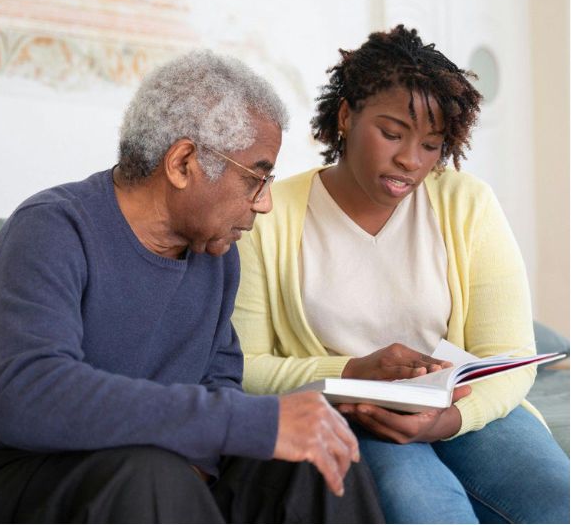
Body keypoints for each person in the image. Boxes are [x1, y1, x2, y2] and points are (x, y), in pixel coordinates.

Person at [0, 51, 385, 524]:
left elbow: (219, 382)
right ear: (183, 162)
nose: (266, 203)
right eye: (257, 177)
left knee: (318, 456)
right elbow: (32, 396)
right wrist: (243, 423)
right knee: (153, 475)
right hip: (15, 471)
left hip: (158, 474)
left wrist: (216, 450)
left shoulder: (217, 256)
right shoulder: (52, 230)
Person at [233, 26, 570, 524]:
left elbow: (512, 357)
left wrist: (450, 419)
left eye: (431, 145)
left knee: (556, 498)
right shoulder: (270, 214)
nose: (410, 161)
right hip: (357, 415)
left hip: (465, 406)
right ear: (346, 115)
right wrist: (349, 372)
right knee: (427, 511)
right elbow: (245, 366)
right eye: (391, 134)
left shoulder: (466, 204)